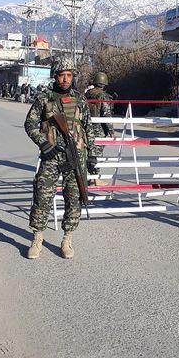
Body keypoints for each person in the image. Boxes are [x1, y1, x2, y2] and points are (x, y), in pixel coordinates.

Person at [24, 56, 95, 260]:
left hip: (76, 155)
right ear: (55, 76)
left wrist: (92, 156)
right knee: (42, 196)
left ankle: (67, 239)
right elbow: (30, 124)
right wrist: (44, 144)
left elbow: (89, 128)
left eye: (69, 75)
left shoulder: (80, 99)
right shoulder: (44, 98)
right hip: (52, 156)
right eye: (61, 75)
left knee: (74, 198)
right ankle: (37, 239)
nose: (65, 79)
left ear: (73, 76)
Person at [84, 71, 115, 175]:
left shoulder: (87, 94)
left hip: (87, 127)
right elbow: (106, 113)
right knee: (95, 154)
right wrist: (111, 129)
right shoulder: (103, 96)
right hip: (99, 129)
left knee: (89, 152)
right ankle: (94, 177)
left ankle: (91, 175)